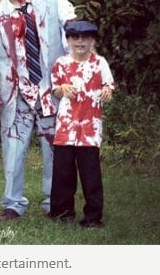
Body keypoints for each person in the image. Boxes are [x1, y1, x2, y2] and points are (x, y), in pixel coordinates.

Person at [0, 0, 75, 219]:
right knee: (13, 149)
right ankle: (12, 204)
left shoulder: (52, 1)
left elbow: (72, 33)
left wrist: (74, 70)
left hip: (50, 90)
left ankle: (53, 202)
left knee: (54, 148)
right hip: (15, 94)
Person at [45, 18, 114, 229]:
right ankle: (61, 212)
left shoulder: (100, 63)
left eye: (85, 38)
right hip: (65, 127)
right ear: (68, 40)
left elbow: (109, 88)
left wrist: (106, 92)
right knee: (63, 173)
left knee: (90, 174)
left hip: (89, 129)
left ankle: (93, 217)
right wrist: (63, 88)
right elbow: (55, 90)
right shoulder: (61, 63)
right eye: (75, 37)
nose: (80, 41)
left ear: (92, 40)